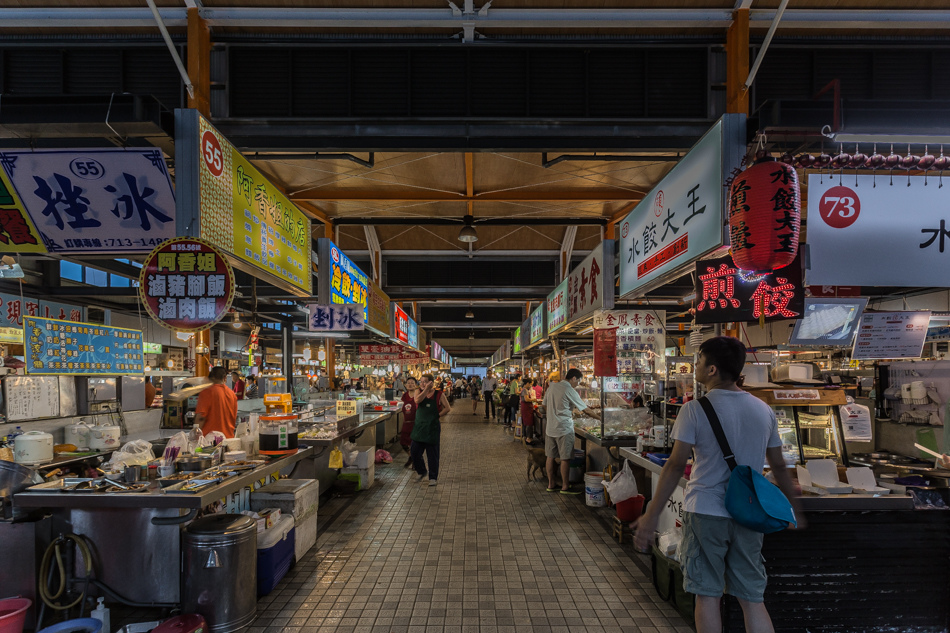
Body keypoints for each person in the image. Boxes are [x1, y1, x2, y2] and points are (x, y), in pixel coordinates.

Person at [633, 337, 801, 633]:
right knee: (751, 597)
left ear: (711, 369)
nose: (694, 366)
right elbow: (778, 464)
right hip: (749, 513)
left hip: (707, 511)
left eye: (697, 361)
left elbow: (674, 466)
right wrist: (791, 509)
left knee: (707, 595)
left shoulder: (694, 410)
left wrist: (651, 515)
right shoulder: (763, 410)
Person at [542, 368, 599, 493]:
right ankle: (565, 486)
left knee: (550, 457)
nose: (577, 384)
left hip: (550, 428)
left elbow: (544, 405)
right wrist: (601, 419)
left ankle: (551, 485)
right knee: (565, 458)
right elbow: (586, 410)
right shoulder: (569, 389)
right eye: (578, 381)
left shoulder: (552, 387)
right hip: (563, 429)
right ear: (574, 378)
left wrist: (554, 414)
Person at [410, 374, 452, 486]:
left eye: (425, 382)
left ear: (431, 382)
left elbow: (447, 408)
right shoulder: (418, 392)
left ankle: (433, 477)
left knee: (432, 454)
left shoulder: (439, 394)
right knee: (414, 452)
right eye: (421, 381)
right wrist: (426, 390)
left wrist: (437, 416)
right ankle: (422, 471)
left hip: (432, 428)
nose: (422, 384)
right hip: (419, 428)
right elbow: (417, 401)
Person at [195, 366, 239, 438]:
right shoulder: (232, 394)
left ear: (210, 378)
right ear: (225, 378)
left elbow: (201, 418)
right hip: (229, 439)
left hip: (210, 442)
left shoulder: (207, 392)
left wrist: (195, 437)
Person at [400, 377, 420, 468]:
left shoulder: (418, 395)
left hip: (416, 423)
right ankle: (411, 456)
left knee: (414, 444)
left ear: (416, 385)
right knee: (403, 442)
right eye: (408, 383)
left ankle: (415, 462)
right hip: (406, 422)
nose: (410, 384)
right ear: (405, 385)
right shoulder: (404, 396)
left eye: (412, 383)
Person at [520, 377, 538, 444]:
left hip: (526, 408)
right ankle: (528, 439)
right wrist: (533, 399)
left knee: (526, 423)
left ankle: (525, 437)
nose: (531, 386)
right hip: (526, 408)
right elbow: (526, 399)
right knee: (528, 423)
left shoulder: (524, 390)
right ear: (527, 383)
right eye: (530, 384)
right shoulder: (525, 390)